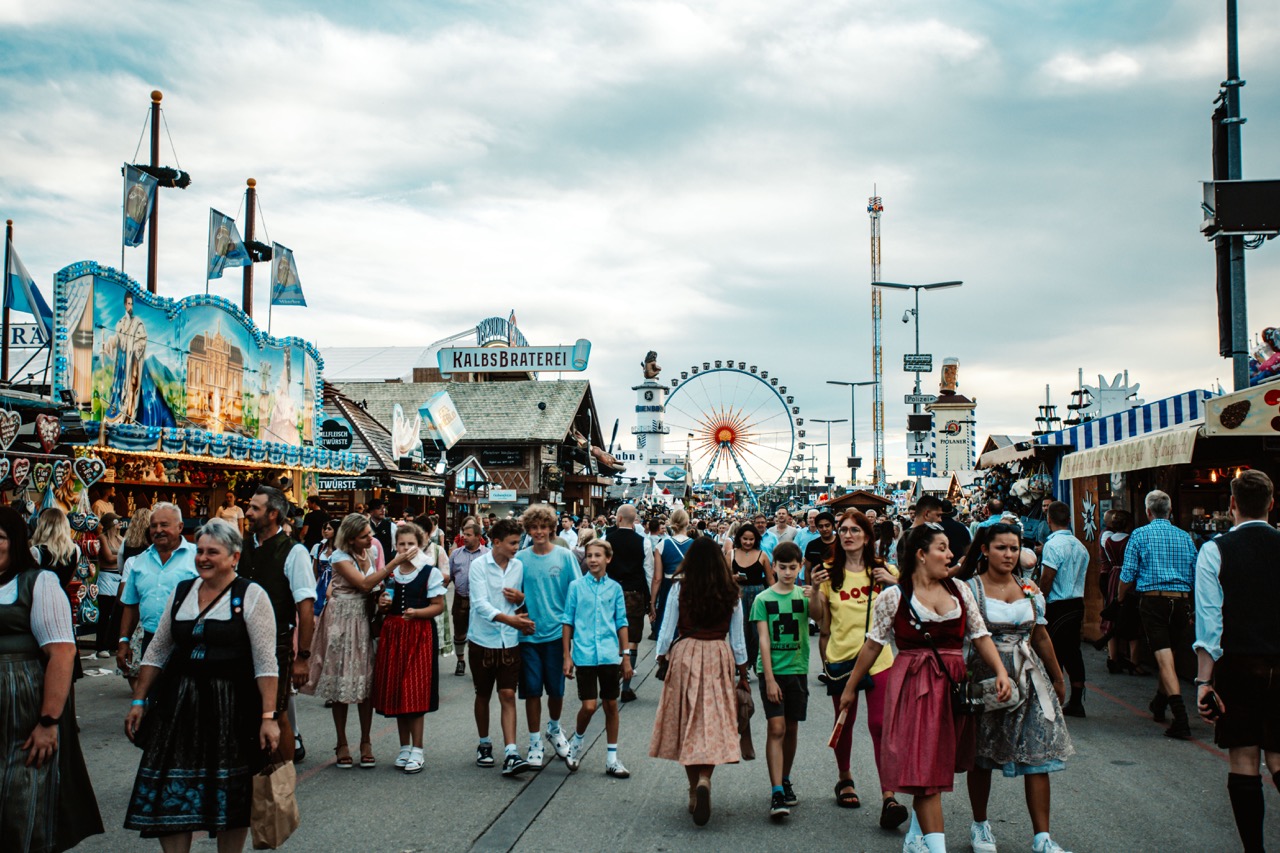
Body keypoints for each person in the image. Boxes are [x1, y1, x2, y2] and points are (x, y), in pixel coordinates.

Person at [839, 523, 1011, 853]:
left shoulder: (959, 590)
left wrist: (1001, 671)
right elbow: (872, 645)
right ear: (921, 554)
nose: (950, 555)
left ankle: (917, 835)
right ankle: (935, 847)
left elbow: (980, 635)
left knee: (937, 765)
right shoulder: (893, 596)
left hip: (951, 685)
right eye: (942, 548)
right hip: (914, 685)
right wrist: (849, 688)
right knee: (925, 771)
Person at [123, 519, 278, 851]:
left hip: (231, 710)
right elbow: (158, 650)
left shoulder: (251, 596)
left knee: (229, 796)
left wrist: (268, 717)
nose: (204, 558)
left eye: (213, 552)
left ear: (234, 557)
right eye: (201, 551)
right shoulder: (182, 592)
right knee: (169, 794)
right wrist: (139, 701)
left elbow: (266, 662)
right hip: (177, 708)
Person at [957, 523, 1075, 853]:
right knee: (981, 755)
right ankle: (980, 825)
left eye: (1013, 548)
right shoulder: (970, 589)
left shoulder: (1029, 589)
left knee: (1037, 757)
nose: (1008, 554)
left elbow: (1039, 635)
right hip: (986, 678)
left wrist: (1057, 676)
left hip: (1030, 677)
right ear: (985, 550)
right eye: (1001, 548)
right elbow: (964, 638)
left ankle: (1043, 837)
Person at [0, 507, 103, 852]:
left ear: (15, 543)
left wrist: (48, 722)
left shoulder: (38, 582)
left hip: (23, 712)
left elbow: (62, 654)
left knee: (21, 799)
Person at [1194, 471, 1280, 853]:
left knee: (1244, 760)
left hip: (1239, 665)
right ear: (1271, 504)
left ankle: (1255, 850)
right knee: (1278, 757)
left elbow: (1210, 622)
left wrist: (1203, 682)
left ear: (1231, 505)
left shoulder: (1215, 551)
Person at [809, 510, 906, 824]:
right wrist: (812, 588)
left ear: (868, 536)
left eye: (854, 530)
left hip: (879, 660)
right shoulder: (827, 572)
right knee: (844, 723)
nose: (847, 535)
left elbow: (911, 609)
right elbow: (817, 616)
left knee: (880, 725)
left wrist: (895, 582)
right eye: (843, 530)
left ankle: (888, 795)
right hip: (841, 658)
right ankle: (845, 776)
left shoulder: (883, 570)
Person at [650, 537, 750, 826]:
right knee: (712, 723)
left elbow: (666, 627)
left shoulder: (680, 586)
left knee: (686, 723)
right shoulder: (731, 590)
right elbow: (738, 638)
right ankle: (706, 777)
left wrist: (661, 656)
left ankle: (694, 789)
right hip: (718, 653)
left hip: (686, 653)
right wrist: (742, 670)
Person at [303, 512, 404, 768]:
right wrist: (391, 565)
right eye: (364, 536)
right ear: (350, 538)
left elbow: (373, 587)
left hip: (361, 617)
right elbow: (363, 583)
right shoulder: (338, 557)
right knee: (341, 681)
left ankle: (366, 741)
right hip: (341, 619)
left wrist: (382, 597)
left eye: (370, 533)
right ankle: (342, 741)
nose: (371, 538)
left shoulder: (367, 553)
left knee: (364, 680)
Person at [242, 486, 318, 762]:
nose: (248, 512)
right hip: (242, 639)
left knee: (277, 712)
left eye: (255, 508)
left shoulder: (293, 552)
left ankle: (282, 776)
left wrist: (303, 657)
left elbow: (305, 608)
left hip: (277, 641)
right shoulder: (242, 546)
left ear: (273, 514)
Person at [1119, 489, 1199, 739]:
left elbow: (1128, 573)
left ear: (1148, 512)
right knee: (1170, 655)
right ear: (1170, 511)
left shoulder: (1140, 534)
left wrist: (1119, 599)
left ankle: (1181, 718)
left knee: (1164, 660)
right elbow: (1195, 572)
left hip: (1154, 601)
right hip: (1182, 601)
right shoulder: (1184, 537)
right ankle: (1159, 703)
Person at [372, 522, 446, 774]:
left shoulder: (429, 571)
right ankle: (404, 747)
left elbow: (439, 605)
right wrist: (382, 604)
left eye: (410, 544)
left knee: (414, 691)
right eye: (401, 544)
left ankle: (418, 748)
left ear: (421, 544)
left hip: (418, 634)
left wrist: (418, 613)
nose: (405, 549)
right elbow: (383, 603)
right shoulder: (391, 573)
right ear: (395, 546)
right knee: (397, 691)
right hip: (394, 633)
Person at [468, 518, 536, 776]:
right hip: (483, 639)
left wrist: (522, 600)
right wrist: (510, 619)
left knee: (507, 694)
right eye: (512, 543)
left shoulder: (518, 566)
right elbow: (480, 603)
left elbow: (523, 600)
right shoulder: (478, 566)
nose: (516, 547)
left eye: (518, 542)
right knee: (483, 693)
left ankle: (511, 752)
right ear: (496, 542)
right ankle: (484, 743)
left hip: (510, 640)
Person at [515, 504, 580, 768]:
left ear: (552, 528)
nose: (539, 532)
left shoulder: (565, 557)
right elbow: (511, 596)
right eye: (534, 527)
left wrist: (573, 635)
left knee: (556, 690)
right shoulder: (520, 558)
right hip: (528, 636)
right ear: (528, 530)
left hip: (556, 635)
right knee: (531, 691)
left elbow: (576, 594)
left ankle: (553, 728)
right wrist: (519, 615)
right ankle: (533, 741)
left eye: (544, 527)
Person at [562, 539, 633, 777]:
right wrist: (567, 656)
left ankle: (612, 758)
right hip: (584, 654)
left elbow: (621, 623)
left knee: (611, 705)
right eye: (589, 555)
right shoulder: (576, 587)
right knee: (589, 706)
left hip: (609, 654)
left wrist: (626, 657)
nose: (592, 560)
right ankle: (577, 743)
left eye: (597, 556)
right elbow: (568, 621)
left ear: (608, 559)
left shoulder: (614, 588)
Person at [753, 541, 809, 820]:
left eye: (792, 567)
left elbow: (822, 620)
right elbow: (763, 638)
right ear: (773, 567)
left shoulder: (804, 595)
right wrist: (769, 678)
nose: (787, 572)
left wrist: (819, 594)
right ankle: (776, 790)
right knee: (776, 728)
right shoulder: (763, 599)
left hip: (798, 670)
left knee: (791, 727)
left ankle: (785, 778)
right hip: (772, 672)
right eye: (782, 567)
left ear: (800, 568)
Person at [117, 504, 199, 680]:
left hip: (187, 642)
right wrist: (124, 642)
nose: (158, 530)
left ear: (180, 527)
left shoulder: (197, 558)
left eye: (164, 525)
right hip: (151, 640)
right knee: (153, 696)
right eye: (154, 526)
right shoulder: (139, 561)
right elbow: (131, 606)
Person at [1039, 501, 1090, 718]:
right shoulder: (1080, 546)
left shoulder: (1053, 546)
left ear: (1049, 519)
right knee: (1072, 652)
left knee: (1053, 652)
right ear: (1068, 520)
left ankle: (1053, 698)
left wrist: (1039, 599)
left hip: (1057, 605)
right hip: (1076, 603)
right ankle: (1076, 700)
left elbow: (1047, 578)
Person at [605, 505, 650, 702]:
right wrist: (651, 599)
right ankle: (626, 687)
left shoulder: (607, 540)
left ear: (620, 518)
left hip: (611, 591)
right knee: (631, 638)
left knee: (613, 636)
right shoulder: (643, 542)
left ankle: (611, 684)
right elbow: (649, 572)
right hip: (634, 592)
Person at [1098, 510, 1145, 675]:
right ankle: (1134, 662)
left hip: (1113, 576)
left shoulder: (1109, 540)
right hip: (1127, 577)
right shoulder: (1130, 540)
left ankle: (1113, 658)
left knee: (1113, 617)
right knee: (1132, 619)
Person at [731, 521, 774, 675]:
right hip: (738, 595)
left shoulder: (762, 555)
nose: (748, 542)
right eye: (745, 539)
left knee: (758, 631)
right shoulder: (731, 554)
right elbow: (723, 577)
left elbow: (770, 579)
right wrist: (734, 577)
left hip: (759, 596)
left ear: (756, 539)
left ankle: (758, 662)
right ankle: (743, 666)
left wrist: (776, 597)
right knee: (740, 631)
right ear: (739, 539)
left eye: (751, 539)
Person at [450, 518, 488, 677]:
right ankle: (460, 660)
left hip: (480, 600)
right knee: (459, 632)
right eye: (463, 534)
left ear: (478, 537)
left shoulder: (488, 555)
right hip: (461, 598)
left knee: (479, 632)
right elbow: (451, 575)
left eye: (468, 534)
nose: (464, 537)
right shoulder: (455, 554)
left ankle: (479, 663)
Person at [652, 509, 693, 640]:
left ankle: (667, 655)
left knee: (667, 624)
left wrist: (652, 602)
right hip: (689, 586)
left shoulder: (662, 544)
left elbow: (657, 578)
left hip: (668, 586)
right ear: (687, 522)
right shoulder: (695, 545)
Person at [310, 519, 337, 618]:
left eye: (329, 529)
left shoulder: (341, 549)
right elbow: (315, 570)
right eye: (325, 528)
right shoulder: (318, 547)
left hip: (335, 584)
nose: (325, 531)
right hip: (321, 583)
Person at [803, 511, 837, 576]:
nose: (824, 529)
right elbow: (807, 570)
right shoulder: (812, 545)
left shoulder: (841, 543)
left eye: (827, 525)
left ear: (832, 526)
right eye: (821, 526)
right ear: (817, 528)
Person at [939, 500, 972, 568]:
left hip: (939, 566)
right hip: (957, 566)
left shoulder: (934, 527)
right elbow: (967, 549)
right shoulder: (961, 527)